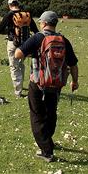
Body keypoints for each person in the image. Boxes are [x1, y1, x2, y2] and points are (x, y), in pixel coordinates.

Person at [14, 10, 79, 162]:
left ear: (42, 23)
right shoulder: (63, 40)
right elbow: (73, 64)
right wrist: (75, 81)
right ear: (55, 23)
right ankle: (48, 140)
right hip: (56, 84)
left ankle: (47, 151)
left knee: (37, 115)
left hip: (38, 83)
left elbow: (18, 54)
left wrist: (30, 52)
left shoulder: (37, 38)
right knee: (51, 113)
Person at [0, 0, 39, 98]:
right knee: (21, 65)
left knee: (14, 67)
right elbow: (34, 28)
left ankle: (18, 92)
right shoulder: (25, 15)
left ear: (9, 5)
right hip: (24, 44)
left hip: (13, 43)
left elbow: (1, 26)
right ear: (18, 4)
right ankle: (20, 86)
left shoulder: (9, 14)